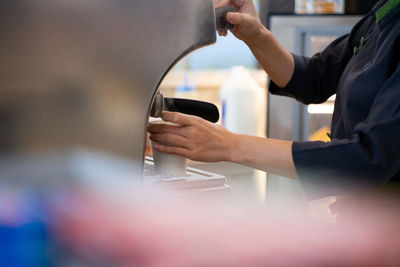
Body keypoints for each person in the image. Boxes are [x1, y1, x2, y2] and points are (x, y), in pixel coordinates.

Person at [148, 0, 400, 206]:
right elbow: (315, 78)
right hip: (361, 217)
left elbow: (370, 157)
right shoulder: (387, 11)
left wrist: (229, 144)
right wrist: (255, 34)